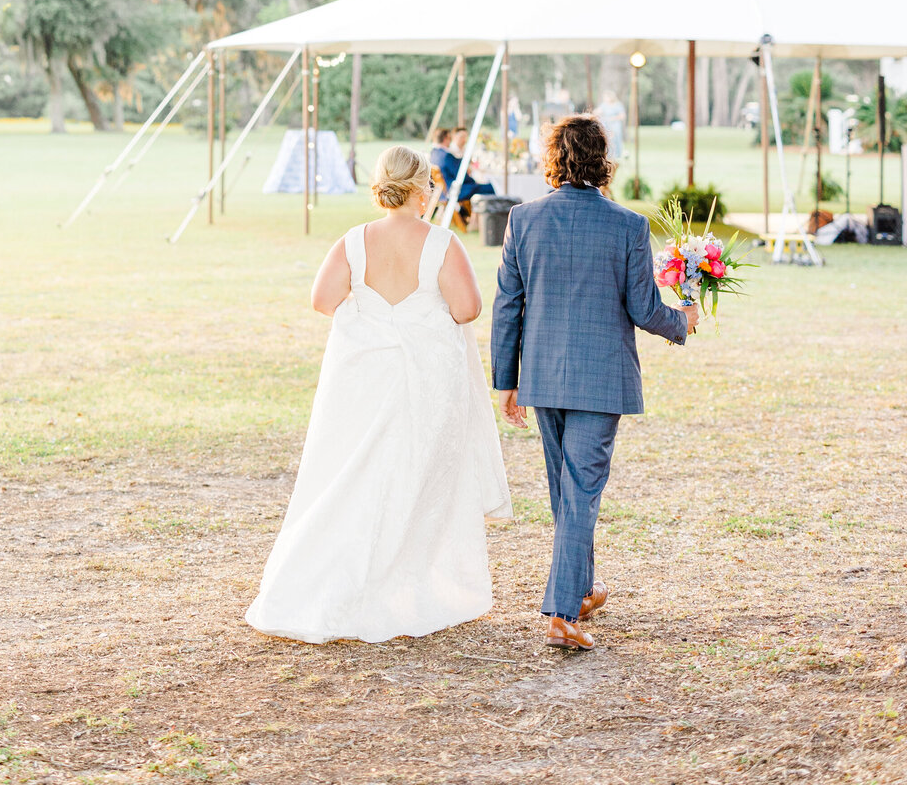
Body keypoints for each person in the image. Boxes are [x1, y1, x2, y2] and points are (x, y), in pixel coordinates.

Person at [246, 144, 512, 643]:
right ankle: (405, 584)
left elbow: (323, 300)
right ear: (420, 189)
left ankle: (342, 578)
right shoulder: (441, 243)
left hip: (364, 379)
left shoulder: (353, 241)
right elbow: (468, 309)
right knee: (416, 474)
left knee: (353, 472)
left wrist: (371, 314)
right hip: (424, 382)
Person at [491, 113, 697, 651]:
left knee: (568, 491)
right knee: (580, 491)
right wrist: (684, 321)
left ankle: (580, 591)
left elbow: (508, 306)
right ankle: (562, 611)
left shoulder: (523, 219)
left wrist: (505, 380)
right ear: (603, 159)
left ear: (553, 157)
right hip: (600, 378)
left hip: (541, 375)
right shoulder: (628, 225)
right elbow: (644, 308)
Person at [593, 86, 627, 161]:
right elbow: (596, 112)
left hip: (615, 125)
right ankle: (609, 155)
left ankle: (617, 155)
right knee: (608, 139)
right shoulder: (604, 105)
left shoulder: (618, 105)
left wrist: (613, 118)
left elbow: (622, 116)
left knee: (615, 139)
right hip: (606, 125)